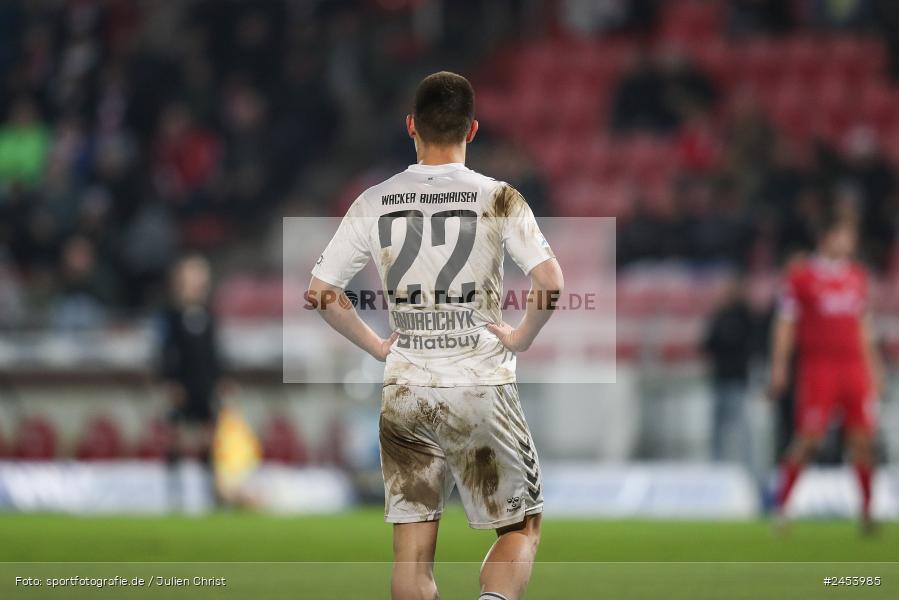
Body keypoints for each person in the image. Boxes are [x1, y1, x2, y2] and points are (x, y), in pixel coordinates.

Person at [307, 72, 563, 600]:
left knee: (412, 554)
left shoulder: (375, 200)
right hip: (478, 385)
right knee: (520, 528)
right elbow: (550, 284)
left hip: (407, 389)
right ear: (472, 130)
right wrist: (521, 338)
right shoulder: (499, 198)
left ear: (410, 127)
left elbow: (322, 292)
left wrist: (379, 345)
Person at [768, 216, 883, 533]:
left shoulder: (857, 277)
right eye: (843, 236)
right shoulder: (801, 278)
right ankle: (782, 508)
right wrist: (779, 366)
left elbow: (864, 327)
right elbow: (785, 324)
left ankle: (867, 512)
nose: (848, 243)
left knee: (862, 440)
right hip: (819, 367)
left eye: (851, 237)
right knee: (808, 440)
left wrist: (875, 369)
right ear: (827, 237)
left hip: (853, 368)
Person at [158, 254, 226, 510]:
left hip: (204, 385)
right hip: (181, 386)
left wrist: (220, 380)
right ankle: (173, 495)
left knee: (209, 439)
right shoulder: (171, 316)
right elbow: (165, 352)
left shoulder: (208, 315)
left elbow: (214, 353)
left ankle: (211, 493)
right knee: (175, 438)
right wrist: (170, 382)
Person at [703, 274, 755, 467]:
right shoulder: (719, 315)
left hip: (738, 379)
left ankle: (747, 468)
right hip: (719, 379)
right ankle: (717, 466)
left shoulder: (744, 315)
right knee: (718, 429)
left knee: (742, 429)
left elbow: (743, 342)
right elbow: (708, 343)